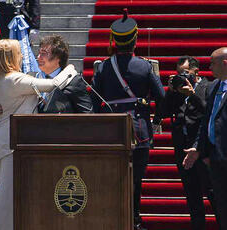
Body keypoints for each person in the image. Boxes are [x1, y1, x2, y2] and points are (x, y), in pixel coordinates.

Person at [0, 39, 78, 230]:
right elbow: (53, 84)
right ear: (11, 57)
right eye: (19, 52)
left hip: (8, 141)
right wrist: (70, 69)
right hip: (12, 143)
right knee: (6, 198)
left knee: (13, 196)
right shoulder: (14, 79)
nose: (22, 56)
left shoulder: (0, 78)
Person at [91, 11, 165, 230]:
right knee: (136, 180)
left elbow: (94, 100)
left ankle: (113, 219)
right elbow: (161, 97)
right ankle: (133, 220)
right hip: (140, 132)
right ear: (135, 39)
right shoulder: (144, 66)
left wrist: (99, 124)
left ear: (114, 40)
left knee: (111, 179)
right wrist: (156, 121)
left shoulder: (103, 66)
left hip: (110, 132)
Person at [160, 56, 217, 230]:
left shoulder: (208, 87)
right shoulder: (177, 92)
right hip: (182, 148)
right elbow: (162, 112)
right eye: (179, 73)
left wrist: (192, 95)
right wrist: (170, 91)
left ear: (196, 72)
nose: (182, 76)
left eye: (185, 72)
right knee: (192, 195)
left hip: (202, 148)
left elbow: (209, 112)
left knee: (212, 193)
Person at [0, 35, 93, 115]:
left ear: (58, 58)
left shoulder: (73, 81)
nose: (38, 57)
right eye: (38, 53)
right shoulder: (30, 77)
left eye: (44, 53)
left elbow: (87, 113)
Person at [185, 47, 227, 230]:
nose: (209, 67)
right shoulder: (214, 87)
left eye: (212, 63)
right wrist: (198, 147)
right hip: (216, 159)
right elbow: (207, 121)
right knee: (222, 207)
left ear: (225, 64)